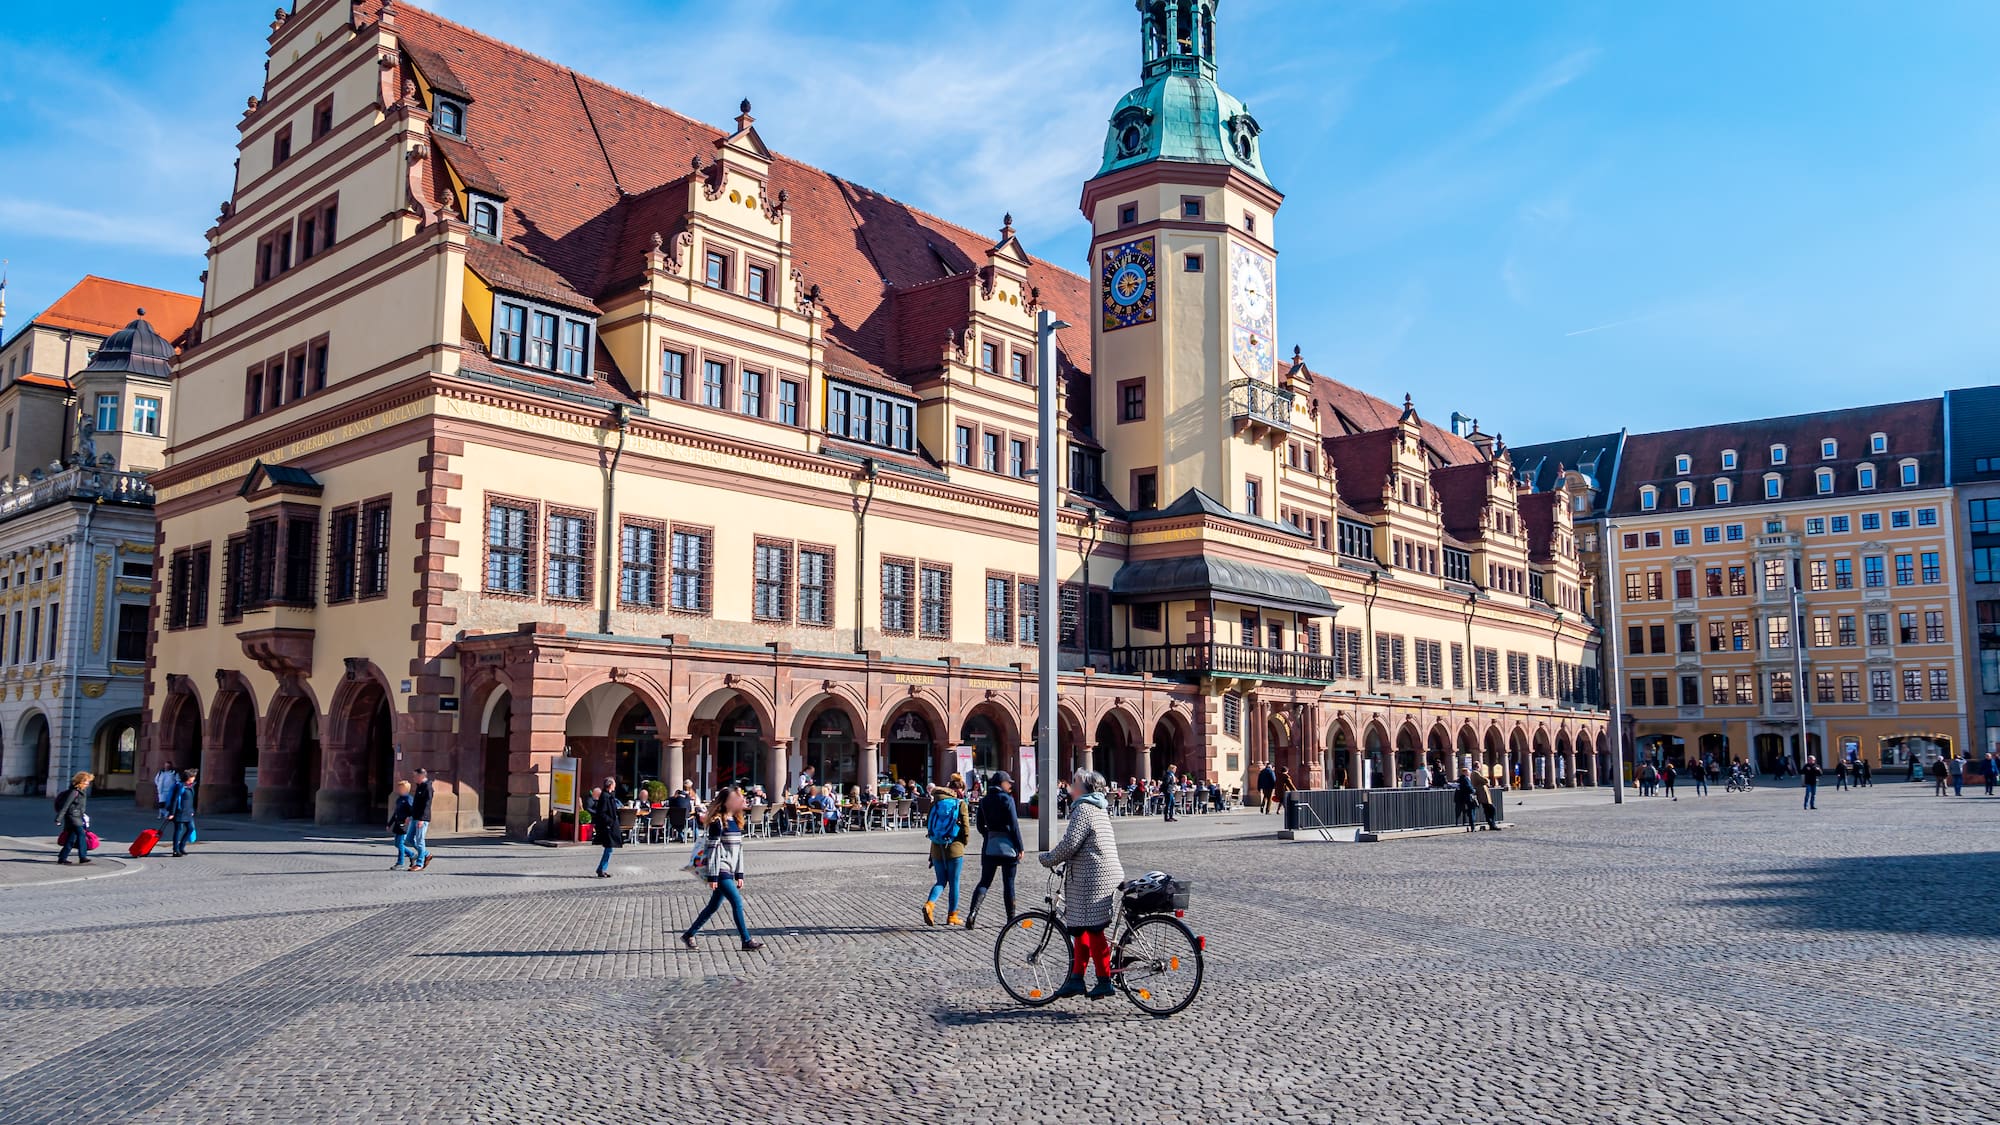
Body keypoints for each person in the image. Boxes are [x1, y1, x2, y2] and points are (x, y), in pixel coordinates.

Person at [1039, 769, 1124, 1000]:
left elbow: (1069, 844)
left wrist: (1047, 859)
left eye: (1074, 783)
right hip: (1099, 876)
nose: (1070, 787)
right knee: (1083, 928)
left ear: (1083, 789)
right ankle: (1076, 978)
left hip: (1093, 879)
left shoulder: (1084, 810)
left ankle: (1104, 980)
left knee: (1094, 929)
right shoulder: (1098, 807)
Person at [680, 787, 764, 951]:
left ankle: (689, 934)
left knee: (713, 906)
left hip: (730, 870)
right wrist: (712, 876)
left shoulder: (736, 821)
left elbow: (739, 850)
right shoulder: (717, 823)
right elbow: (712, 851)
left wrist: (740, 874)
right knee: (737, 902)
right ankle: (746, 940)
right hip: (720, 870)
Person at [966, 770, 1024, 928]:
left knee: (984, 882)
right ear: (1002, 783)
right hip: (1008, 846)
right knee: (1009, 883)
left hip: (990, 846)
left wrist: (989, 834)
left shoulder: (985, 800)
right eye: (1008, 782)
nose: (1010, 785)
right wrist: (1020, 846)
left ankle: (972, 913)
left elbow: (979, 825)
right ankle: (1010, 919)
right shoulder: (1007, 799)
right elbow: (1014, 825)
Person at [923, 774, 970, 926]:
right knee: (954, 882)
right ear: (959, 789)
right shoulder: (959, 803)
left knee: (941, 881)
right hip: (954, 848)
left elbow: (929, 825)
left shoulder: (935, 802)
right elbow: (965, 828)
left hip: (936, 847)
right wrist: (964, 843)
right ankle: (952, 916)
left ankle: (929, 904)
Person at [55, 771, 94, 865]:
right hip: (73, 818)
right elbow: (65, 806)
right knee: (81, 835)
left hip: (78, 817)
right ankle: (83, 856)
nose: (88, 784)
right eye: (86, 782)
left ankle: (62, 857)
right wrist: (58, 819)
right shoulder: (74, 792)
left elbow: (80, 807)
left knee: (71, 838)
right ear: (81, 782)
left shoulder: (81, 792)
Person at [590, 779, 622, 878]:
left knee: (609, 849)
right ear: (610, 785)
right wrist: (610, 821)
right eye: (614, 784)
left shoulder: (609, 796)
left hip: (610, 827)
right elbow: (602, 813)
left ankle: (602, 869)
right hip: (607, 828)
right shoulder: (605, 797)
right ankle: (601, 869)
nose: (615, 786)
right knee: (609, 849)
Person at [407, 768, 434, 872]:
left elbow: (427, 804)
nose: (413, 778)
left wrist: (422, 819)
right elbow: (416, 804)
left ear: (421, 776)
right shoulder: (419, 786)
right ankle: (427, 854)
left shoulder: (428, 787)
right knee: (409, 839)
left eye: (415, 776)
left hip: (422, 818)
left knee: (420, 841)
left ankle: (420, 863)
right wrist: (411, 816)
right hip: (415, 817)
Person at [168, 769, 199, 857]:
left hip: (188, 812)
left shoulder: (190, 786)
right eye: (193, 777)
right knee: (179, 830)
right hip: (179, 812)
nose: (194, 779)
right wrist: (172, 813)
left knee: (190, 829)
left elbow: (190, 800)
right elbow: (174, 800)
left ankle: (182, 846)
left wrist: (192, 810)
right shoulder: (180, 786)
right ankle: (175, 850)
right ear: (188, 778)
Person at [389, 780, 417, 869]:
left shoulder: (408, 799)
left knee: (400, 843)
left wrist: (409, 817)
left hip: (404, 824)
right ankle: (412, 855)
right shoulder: (399, 799)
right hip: (398, 823)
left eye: (400, 788)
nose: (398, 789)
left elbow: (413, 811)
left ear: (405, 789)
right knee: (397, 844)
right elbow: (396, 812)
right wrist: (390, 823)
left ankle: (400, 863)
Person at [153, 760, 179, 825]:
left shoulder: (174, 772)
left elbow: (178, 780)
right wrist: (158, 785)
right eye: (166, 765)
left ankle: (166, 814)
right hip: (161, 790)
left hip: (170, 790)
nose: (167, 767)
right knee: (161, 803)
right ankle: (161, 813)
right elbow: (156, 779)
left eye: (168, 766)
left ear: (171, 766)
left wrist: (174, 787)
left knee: (168, 803)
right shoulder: (161, 772)